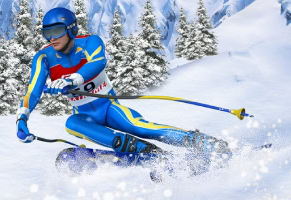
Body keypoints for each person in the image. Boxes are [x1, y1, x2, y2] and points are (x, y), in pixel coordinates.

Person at [16, 7, 231, 160]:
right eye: (46, 33)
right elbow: (33, 90)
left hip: (109, 106)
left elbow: (98, 63)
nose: (50, 39)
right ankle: (150, 154)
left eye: (55, 32)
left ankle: (203, 143)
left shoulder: (90, 42)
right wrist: (22, 118)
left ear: (71, 29)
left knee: (140, 127)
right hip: (85, 114)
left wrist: (72, 79)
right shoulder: (44, 58)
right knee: (72, 124)